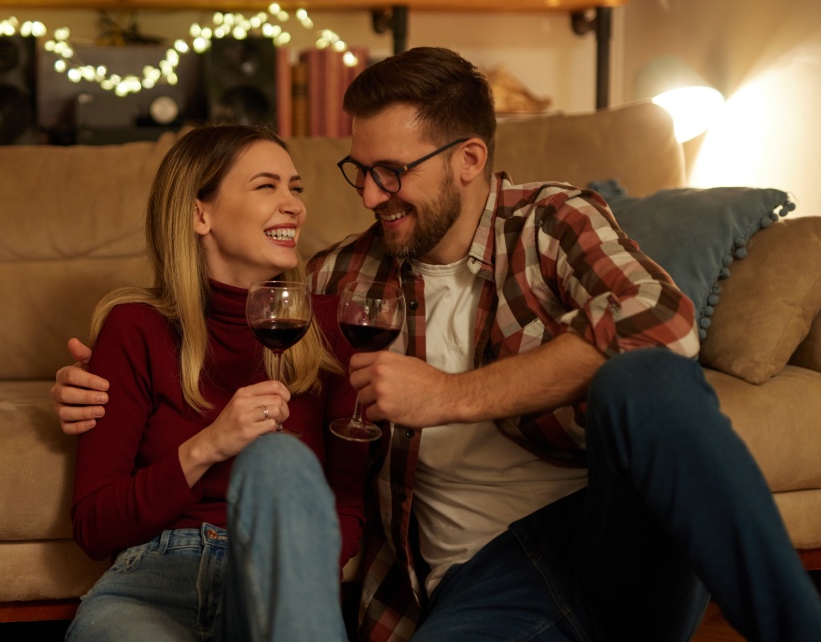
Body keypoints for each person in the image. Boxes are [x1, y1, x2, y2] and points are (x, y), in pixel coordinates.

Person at [55, 48, 821, 642]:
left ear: (469, 160)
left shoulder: (552, 222)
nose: (367, 194)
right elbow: (223, 317)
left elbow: (666, 326)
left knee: (643, 381)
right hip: (478, 584)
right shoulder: (343, 279)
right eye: (359, 171)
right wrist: (94, 381)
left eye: (392, 172)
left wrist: (448, 397)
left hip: (606, 535)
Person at [63, 123, 368, 642]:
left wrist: (292, 573)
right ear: (199, 213)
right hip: (151, 584)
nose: (293, 205)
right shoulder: (135, 326)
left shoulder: (328, 327)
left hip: (274, 589)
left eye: (295, 188)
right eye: (266, 185)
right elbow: (94, 526)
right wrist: (208, 445)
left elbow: (347, 506)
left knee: (279, 460)